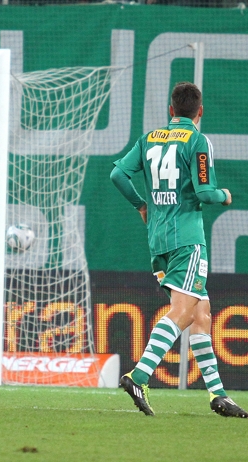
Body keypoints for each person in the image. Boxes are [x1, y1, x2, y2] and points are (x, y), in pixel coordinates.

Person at [110, 82, 247, 418]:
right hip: (187, 239)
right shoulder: (197, 140)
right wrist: (224, 195)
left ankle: (218, 395)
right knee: (184, 313)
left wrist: (141, 205)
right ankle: (137, 376)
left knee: (201, 313)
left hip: (158, 240)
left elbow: (117, 174)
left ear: (171, 111)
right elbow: (204, 192)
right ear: (199, 112)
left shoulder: (149, 139)